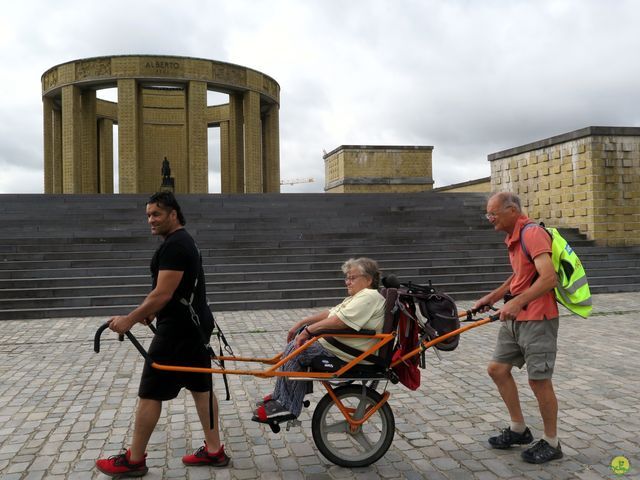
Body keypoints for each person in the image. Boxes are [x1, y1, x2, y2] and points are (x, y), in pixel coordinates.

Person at [95, 192, 230, 478]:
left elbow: (163, 292)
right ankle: (215, 450)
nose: (150, 220)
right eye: (148, 215)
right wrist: (152, 310)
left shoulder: (175, 245)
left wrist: (129, 319)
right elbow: (171, 293)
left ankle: (134, 460)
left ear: (173, 214)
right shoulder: (183, 241)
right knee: (201, 388)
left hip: (179, 332)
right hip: (194, 326)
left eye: (156, 214)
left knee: (150, 391)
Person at [472, 192, 562, 464]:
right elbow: (520, 275)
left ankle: (552, 442)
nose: (490, 219)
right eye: (488, 214)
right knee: (497, 369)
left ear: (512, 210)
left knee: (538, 380)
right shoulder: (515, 237)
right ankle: (519, 429)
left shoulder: (532, 234)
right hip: (516, 317)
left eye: (493, 214)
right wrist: (494, 297)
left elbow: (549, 278)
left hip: (537, 318)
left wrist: (516, 303)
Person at [253, 257, 386, 422]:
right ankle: (280, 396)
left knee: (297, 350)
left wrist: (307, 331)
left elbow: (338, 321)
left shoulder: (369, 296)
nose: (347, 282)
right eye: (347, 278)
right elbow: (331, 313)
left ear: (368, 280)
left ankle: (287, 406)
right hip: (341, 349)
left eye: (352, 278)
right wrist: (302, 323)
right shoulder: (359, 296)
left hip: (349, 356)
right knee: (294, 347)